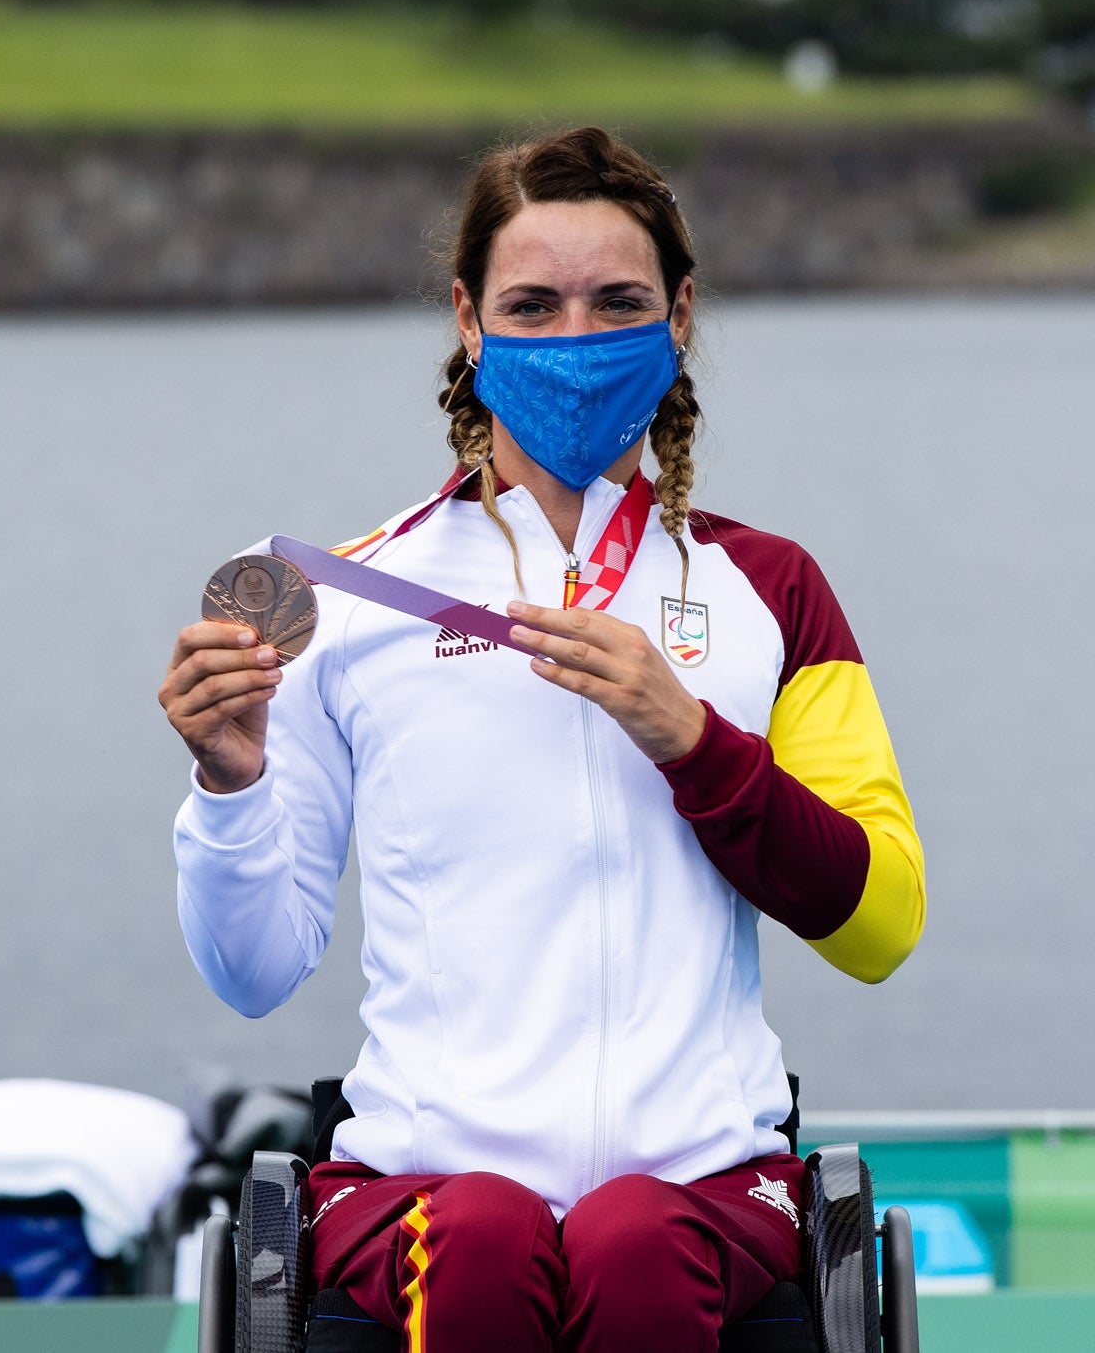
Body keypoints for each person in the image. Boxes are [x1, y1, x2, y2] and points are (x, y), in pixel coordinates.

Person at [158, 127, 924, 1353]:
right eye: (532, 303)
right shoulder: (346, 599)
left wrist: (694, 743)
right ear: (469, 321)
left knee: (628, 1240)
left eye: (616, 302)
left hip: (708, 1185)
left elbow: (881, 924)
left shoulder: (769, 589)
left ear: (677, 318)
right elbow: (252, 974)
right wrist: (229, 782)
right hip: (417, 1188)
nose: (574, 340)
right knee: (480, 1238)